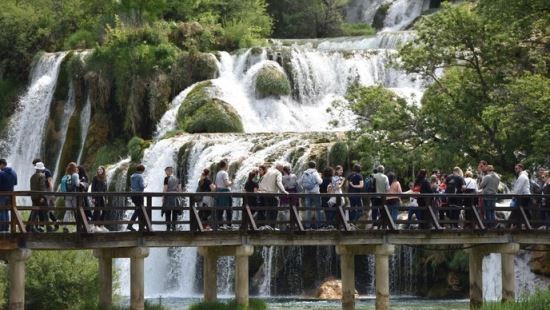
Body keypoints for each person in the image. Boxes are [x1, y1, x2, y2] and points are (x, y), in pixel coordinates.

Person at [258, 162, 288, 229]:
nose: (282, 170)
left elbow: (261, 182)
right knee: (274, 212)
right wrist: (283, 191)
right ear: (280, 168)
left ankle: (267, 226)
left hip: (266, 194)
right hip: (273, 195)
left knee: (268, 211)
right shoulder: (278, 173)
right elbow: (278, 182)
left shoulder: (268, 172)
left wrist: (262, 191)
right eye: (282, 168)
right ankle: (272, 227)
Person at [32, 158, 57, 227]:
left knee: (44, 209)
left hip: (46, 192)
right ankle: (49, 224)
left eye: (35, 165)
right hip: (40, 193)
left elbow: (50, 182)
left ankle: (44, 225)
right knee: (44, 209)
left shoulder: (46, 172)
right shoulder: (38, 173)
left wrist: (51, 193)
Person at [300, 161, 323, 229]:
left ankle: (307, 225)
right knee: (318, 209)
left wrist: (303, 188)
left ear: (308, 166)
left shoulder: (305, 173)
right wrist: (320, 177)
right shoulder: (315, 173)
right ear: (315, 166)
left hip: (307, 193)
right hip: (316, 193)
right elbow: (320, 182)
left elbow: (299, 182)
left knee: (308, 209)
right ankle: (319, 225)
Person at [508, 163, 531, 228]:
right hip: (524, 196)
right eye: (515, 168)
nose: (515, 170)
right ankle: (527, 224)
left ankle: (513, 225)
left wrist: (513, 196)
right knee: (524, 211)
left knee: (517, 210)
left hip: (523, 196)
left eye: (516, 168)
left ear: (521, 168)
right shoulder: (522, 176)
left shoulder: (522, 176)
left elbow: (518, 188)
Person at [29, 162, 49, 232]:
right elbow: (42, 187)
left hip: (34, 197)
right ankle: (48, 227)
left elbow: (32, 187)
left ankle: (31, 227)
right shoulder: (42, 176)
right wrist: (43, 197)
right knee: (46, 211)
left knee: (34, 212)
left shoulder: (32, 176)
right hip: (40, 197)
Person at [60, 162, 80, 233]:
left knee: (68, 211)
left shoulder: (66, 175)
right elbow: (77, 184)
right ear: (74, 168)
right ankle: (78, 227)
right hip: (73, 195)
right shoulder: (75, 175)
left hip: (66, 195)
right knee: (76, 210)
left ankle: (65, 227)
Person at [162, 166, 182, 231]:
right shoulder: (177, 178)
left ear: (169, 171)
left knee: (168, 212)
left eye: (166, 171)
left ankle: (168, 227)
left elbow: (165, 188)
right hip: (175, 196)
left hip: (168, 196)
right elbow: (179, 189)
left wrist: (163, 197)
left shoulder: (166, 178)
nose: (165, 173)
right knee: (175, 212)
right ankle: (174, 227)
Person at [214, 160, 232, 229]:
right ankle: (229, 226)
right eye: (227, 165)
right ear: (225, 165)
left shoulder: (218, 173)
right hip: (225, 192)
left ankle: (220, 225)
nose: (228, 166)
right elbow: (226, 184)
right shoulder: (225, 173)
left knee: (220, 210)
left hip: (219, 192)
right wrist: (232, 182)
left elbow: (216, 185)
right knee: (229, 210)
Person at [0, 158, 17, 232]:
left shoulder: (1, 174)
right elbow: (15, 183)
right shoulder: (14, 172)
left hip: (2, 195)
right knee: (6, 211)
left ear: (2, 164)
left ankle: (2, 228)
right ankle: (6, 228)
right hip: (11, 195)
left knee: (1, 211)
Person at [127, 164, 146, 231]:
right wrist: (145, 185)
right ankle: (139, 226)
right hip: (139, 195)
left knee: (138, 210)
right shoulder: (140, 176)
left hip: (133, 195)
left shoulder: (132, 176)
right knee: (140, 210)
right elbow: (141, 186)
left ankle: (138, 226)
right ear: (142, 170)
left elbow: (132, 186)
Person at [91, 166, 108, 232]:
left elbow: (106, 189)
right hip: (96, 196)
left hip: (102, 197)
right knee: (97, 211)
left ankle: (101, 225)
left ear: (103, 170)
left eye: (100, 169)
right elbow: (93, 188)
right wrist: (93, 197)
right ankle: (95, 226)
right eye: (98, 169)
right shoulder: (95, 178)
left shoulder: (105, 178)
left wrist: (106, 198)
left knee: (104, 210)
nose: (99, 170)